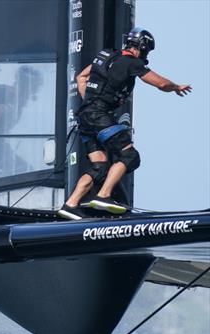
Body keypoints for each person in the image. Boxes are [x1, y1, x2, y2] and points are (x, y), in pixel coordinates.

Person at [57, 27, 192, 220]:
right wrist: (176, 86)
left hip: (85, 116)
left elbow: (81, 77)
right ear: (142, 48)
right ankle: (103, 196)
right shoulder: (132, 63)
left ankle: (70, 205)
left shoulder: (105, 55)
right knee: (129, 156)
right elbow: (160, 83)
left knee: (99, 166)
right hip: (100, 115)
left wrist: (90, 100)